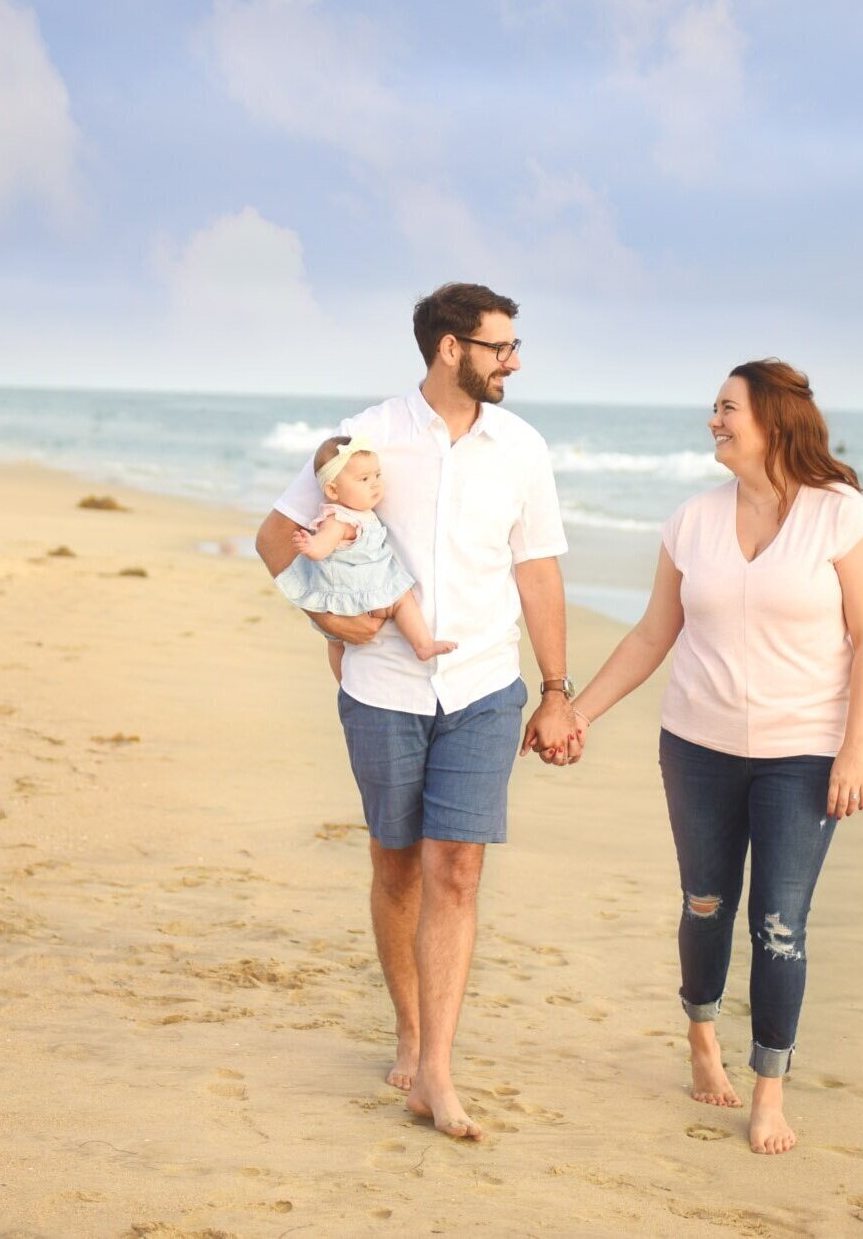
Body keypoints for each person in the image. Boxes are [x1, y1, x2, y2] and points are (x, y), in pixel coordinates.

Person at [255, 283, 581, 1140]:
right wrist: (325, 617)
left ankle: (436, 1063)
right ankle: (406, 1025)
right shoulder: (370, 435)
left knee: (458, 871)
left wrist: (554, 688)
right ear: (449, 348)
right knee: (397, 866)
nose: (514, 360)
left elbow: (538, 571)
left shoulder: (521, 446)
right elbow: (274, 536)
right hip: (382, 688)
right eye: (499, 346)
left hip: (481, 684)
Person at [568, 359, 863, 1155]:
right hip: (697, 746)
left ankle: (769, 1090)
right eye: (712, 408)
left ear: (773, 421)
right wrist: (576, 711)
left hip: (804, 755)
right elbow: (652, 633)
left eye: (727, 409)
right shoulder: (691, 521)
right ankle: (702, 1038)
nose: (713, 420)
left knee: (779, 925)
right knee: (705, 902)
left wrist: (855, 749)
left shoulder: (840, 516)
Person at [275, 434, 457, 682]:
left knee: (336, 644)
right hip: (362, 593)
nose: (375, 484)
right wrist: (313, 546)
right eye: (364, 479)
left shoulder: (362, 514)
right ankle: (422, 644)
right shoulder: (339, 519)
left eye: (377, 476)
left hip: (350, 595)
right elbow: (326, 542)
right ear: (332, 490)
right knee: (402, 600)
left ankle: (344, 681)